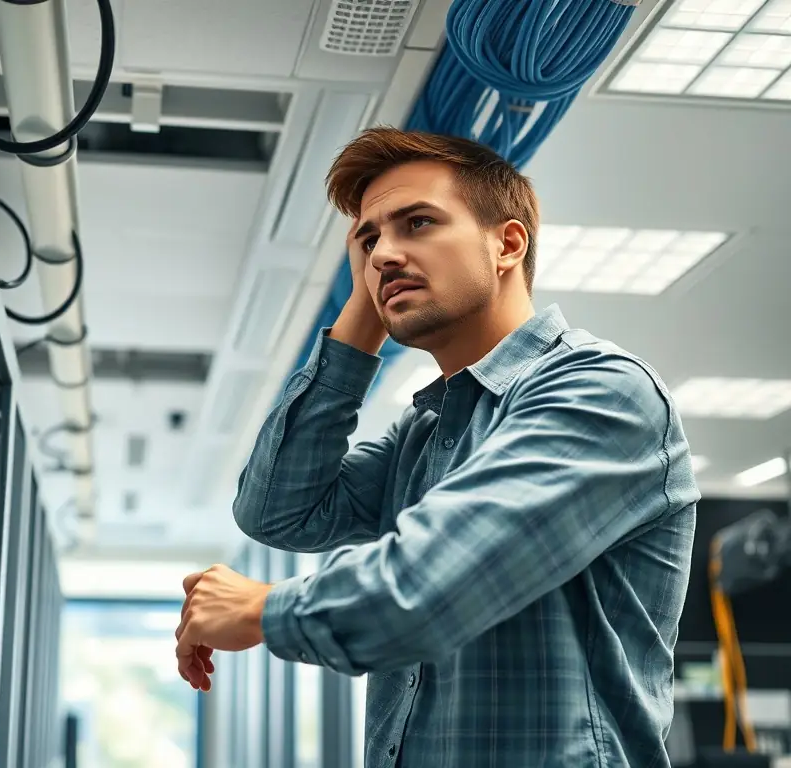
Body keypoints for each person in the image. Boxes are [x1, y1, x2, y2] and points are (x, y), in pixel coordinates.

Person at [173, 127, 699, 767]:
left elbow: (428, 592)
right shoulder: (427, 431)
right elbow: (278, 511)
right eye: (369, 241)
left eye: (417, 223)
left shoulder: (602, 392)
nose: (383, 255)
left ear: (506, 244)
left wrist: (262, 609)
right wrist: (364, 314)